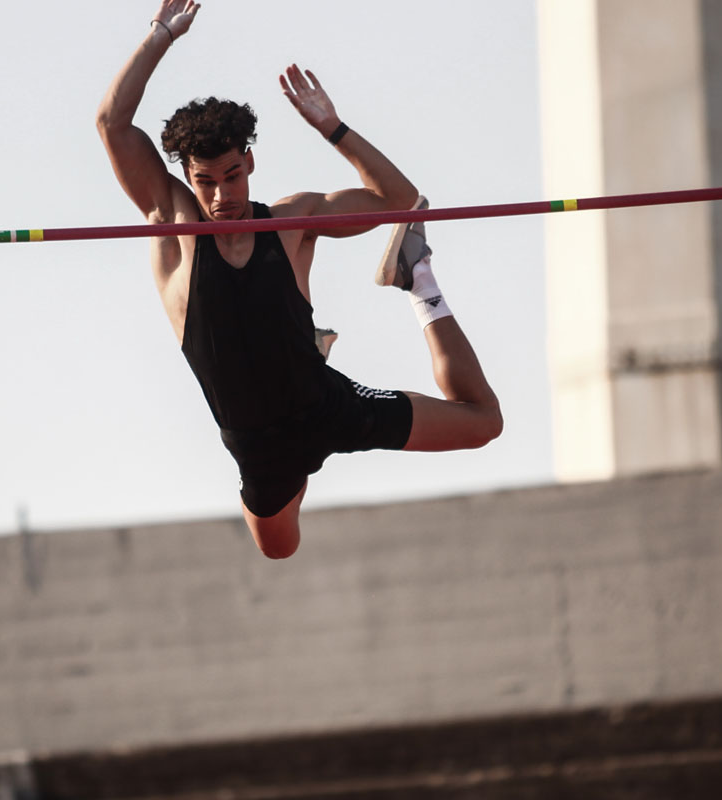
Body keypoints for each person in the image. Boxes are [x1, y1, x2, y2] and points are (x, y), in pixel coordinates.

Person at [96, 0, 502, 559]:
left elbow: (401, 201)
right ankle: (305, 346)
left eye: (233, 176)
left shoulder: (291, 224)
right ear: (188, 178)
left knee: (483, 424)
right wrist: (161, 34)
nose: (222, 196)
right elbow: (112, 124)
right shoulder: (177, 229)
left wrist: (333, 129)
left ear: (251, 163)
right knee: (278, 548)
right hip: (260, 451)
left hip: (326, 408)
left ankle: (420, 280)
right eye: (206, 181)